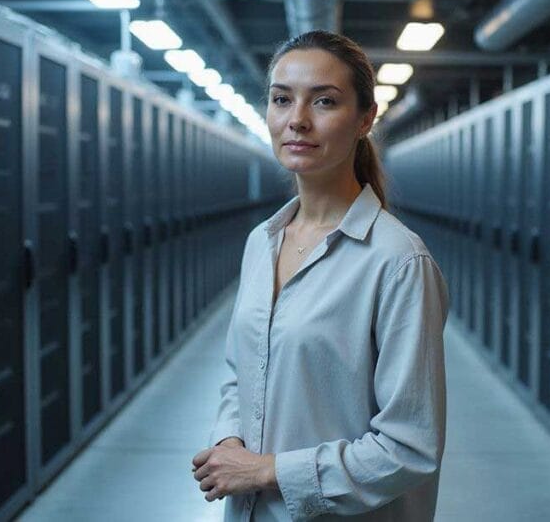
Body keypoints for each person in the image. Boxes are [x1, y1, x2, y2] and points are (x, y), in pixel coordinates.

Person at [190, 30, 450, 521]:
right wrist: (228, 441)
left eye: (324, 101)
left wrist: (268, 471)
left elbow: (410, 445)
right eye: (281, 99)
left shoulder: (397, 263)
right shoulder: (261, 243)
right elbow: (238, 373)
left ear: (364, 120)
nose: (297, 121)